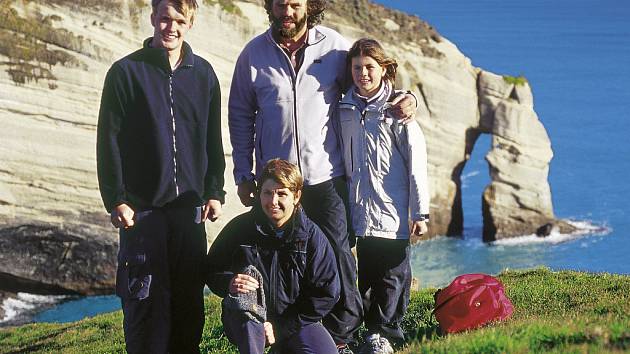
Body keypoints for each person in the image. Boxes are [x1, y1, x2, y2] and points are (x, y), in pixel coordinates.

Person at [228, 1, 418, 351]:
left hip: (328, 178)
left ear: (309, 7)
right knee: (282, 260)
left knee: (339, 257)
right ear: (270, 7)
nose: (287, 11)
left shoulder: (334, 47)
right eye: (280, 3)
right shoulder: (253, 55)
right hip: (280, 186)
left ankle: (342, 338)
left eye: (295, 4)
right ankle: (285, 330)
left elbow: (369, 86)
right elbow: (240, 114)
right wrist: (243, 172)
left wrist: (406, 98)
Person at [96, 0, 225, 352]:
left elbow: (212, 140)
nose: (171, 27)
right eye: (165, 18)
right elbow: (109, 141)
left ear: (190, 22)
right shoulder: (126, 72)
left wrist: (214, 190)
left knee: (188, 306)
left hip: (189, 212)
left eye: (179, 20)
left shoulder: (204, 75)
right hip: (143, 212)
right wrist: (116, 198)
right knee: (146, 307)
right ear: (153, 18)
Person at [338, 38, 430, 354]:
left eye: (370, 67)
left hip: (393, 211)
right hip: (360, 211)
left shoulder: (397, 110)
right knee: (366, 274)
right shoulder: (344, 109)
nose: (363, 74)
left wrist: (420, 213)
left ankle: (386, 335)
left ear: (383, 69)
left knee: (394, 277)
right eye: (357, 68)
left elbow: (417, 162)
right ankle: (365, 333)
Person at [206, 159, 340, 354]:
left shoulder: (312, 237)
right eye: (267, 193)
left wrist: (280, 328)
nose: (273, 202)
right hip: (247, 316)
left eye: (282, 194)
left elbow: (327, 293)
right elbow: (211, 268)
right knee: (249, 316)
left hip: (294, 321)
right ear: (259, 194)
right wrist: (229, 282)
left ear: (296, 196)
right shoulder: (240, 229)